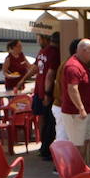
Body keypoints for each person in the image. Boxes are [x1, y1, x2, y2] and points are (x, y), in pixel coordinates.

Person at [56, 37, 90, 157]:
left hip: (85, 111)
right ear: (83, 50)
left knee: (85, 141)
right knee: (77, 146)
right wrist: (81, 109)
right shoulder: (73, 66)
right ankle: (76, 174)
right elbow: (72, 89)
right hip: (75, 113)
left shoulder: (82, 64)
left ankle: (80, 172)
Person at [32, 31, 60, 160]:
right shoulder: (54, 53)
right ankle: (46, 150)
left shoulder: (43, 51)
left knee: (43, 120)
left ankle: (43, 147)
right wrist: (48, 93)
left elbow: (37, 69)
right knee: (50, 122)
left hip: (39, 90)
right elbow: (50, 74)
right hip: (46, 92)